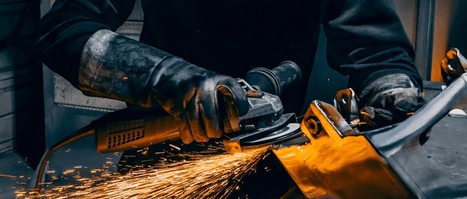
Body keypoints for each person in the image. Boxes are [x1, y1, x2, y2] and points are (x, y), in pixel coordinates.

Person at [37, 0, 424, 146]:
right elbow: (63, 29)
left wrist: (392, 88)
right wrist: (167, 79)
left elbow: (376, 48)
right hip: (166, 144)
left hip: (275, 151)